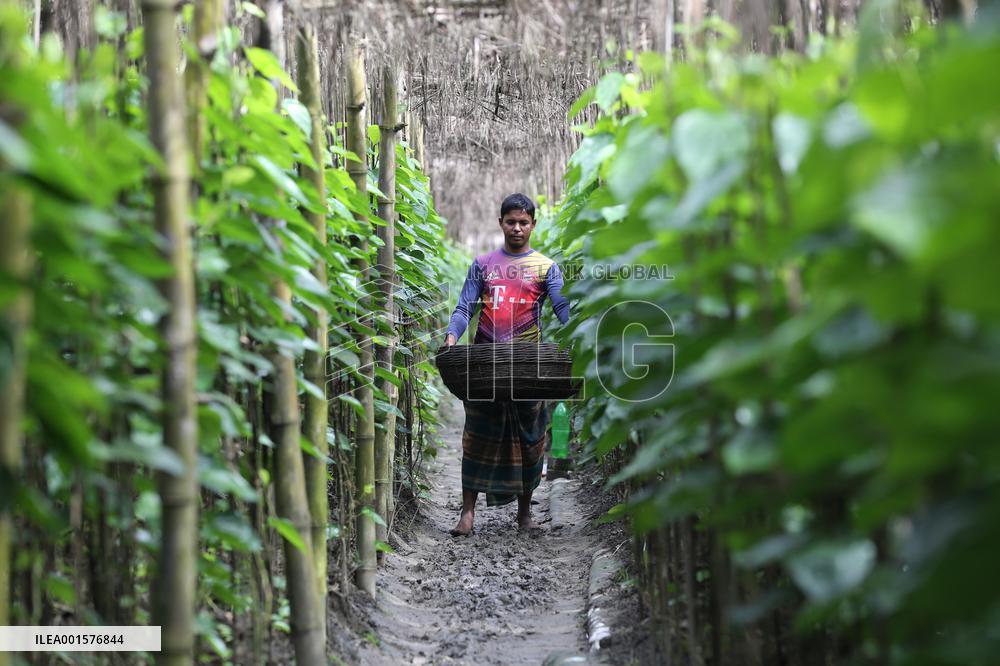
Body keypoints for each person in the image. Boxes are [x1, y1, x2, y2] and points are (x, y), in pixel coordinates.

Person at [443, 193, 570, 536]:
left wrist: (576, 329)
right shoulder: (483, 264)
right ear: (500, 223)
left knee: (530, 439)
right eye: (511, 222)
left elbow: (561, 308)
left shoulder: (546, 267)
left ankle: (525, 515)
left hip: (529, 369)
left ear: (533, 224)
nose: (517, 228)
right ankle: (467, 514)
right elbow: (464, 307)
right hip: (484, 365)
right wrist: (452, 336)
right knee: (477, 435)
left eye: (523, 222)